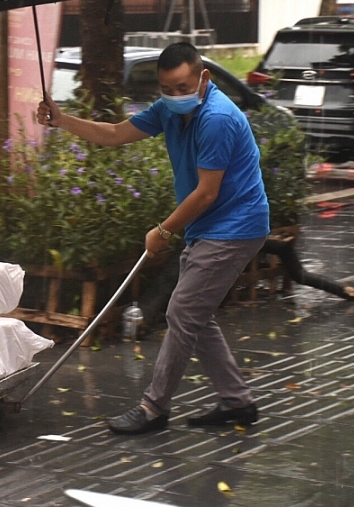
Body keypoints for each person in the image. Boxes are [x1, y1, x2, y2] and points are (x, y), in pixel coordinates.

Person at [37, 42, 270, 434]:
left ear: (203, 79)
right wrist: (60, 120)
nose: (174, 95)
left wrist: (163, 231)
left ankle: (154, 408)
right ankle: (237, 402)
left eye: (182, 87)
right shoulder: (169, 110)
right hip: (209, 225)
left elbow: (207, 192)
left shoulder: (216, 118)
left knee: (182, 312)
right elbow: (114, 134)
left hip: (235, 226)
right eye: (167, 88)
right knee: (194, 315)